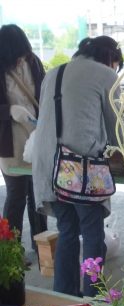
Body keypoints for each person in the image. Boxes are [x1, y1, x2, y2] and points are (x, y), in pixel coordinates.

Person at [32, 36, 122, 297]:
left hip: (48, 165)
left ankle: (64, 297)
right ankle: (93, 300)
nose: (115, 70)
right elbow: (117, 131)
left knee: (68, 230)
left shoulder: (54, 72)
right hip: (79, 169)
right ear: (110, 59)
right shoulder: (106, 75)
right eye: (116, 64)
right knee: (93, 233)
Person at [0, 24, 47, 264]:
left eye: (23, 54)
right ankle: (12, 254)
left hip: (37, 136)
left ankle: (43, 247)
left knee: (39, 195)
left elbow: (46, 93)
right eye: (16, 56)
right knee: (16, 195)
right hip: (11, 141)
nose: (21, 60)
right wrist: (9, 110)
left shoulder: (34, 62)